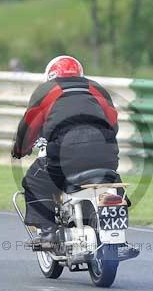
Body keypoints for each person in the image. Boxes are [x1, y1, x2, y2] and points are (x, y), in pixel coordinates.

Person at [12, 55, 120, 246]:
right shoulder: (97, 88)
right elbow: (112, 122)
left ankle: (47, 231)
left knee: (33, 181)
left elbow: (29, 125)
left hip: (65, 153)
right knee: (112, 183)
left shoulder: (47, 90)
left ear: (51, 75)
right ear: (80, 73)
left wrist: (20, 149)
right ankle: (114, 230)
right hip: (106, 152)